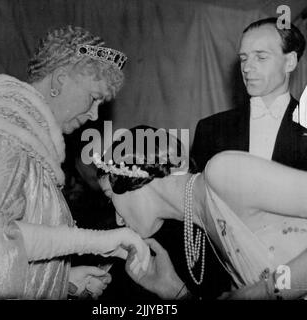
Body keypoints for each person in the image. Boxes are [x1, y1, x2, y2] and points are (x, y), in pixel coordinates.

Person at [0, 26, 150, 299]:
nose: (94, 114)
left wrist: (61, 279)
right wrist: (98, 242)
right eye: (93, 98)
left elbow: (1, 255)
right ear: (60, 80)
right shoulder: (1, 137)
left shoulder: (23, 142)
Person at [96, 125, 307, 299]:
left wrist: (264, 291)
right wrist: (176, 293)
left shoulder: (223, 173)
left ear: (135, 179)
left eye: (109, 197)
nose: (118, 220)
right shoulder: (204, 225)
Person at [191, 17, 307, 171]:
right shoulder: (210, 129)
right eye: (243, 58)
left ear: (290, 62)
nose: (246, 68)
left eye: (261, 57)